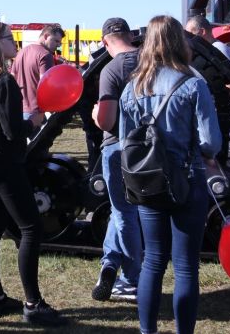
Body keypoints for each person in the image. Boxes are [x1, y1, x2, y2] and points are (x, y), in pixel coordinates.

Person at [119, 15, 221, 334]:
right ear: (181, 42)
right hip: (187, 181)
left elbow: (125, 142)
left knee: (152, 261)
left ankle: (147, 331)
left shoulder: (131, 88)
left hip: (147, 183)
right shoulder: (193, 84)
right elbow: (211, 142)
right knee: (186, 266)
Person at [0, 21, 66, 327]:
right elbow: (12, 131)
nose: (15, 43)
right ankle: (33, 304)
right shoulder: (3, 81)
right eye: (9, 38)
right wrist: (34, 122)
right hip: (3, 165)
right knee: (31, 228)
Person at [90, 17, 141, 302]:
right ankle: (110, 265)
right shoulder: (151, 62)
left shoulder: (112, 69)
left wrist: (96, 115)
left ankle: (133, 279)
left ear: (105, 41)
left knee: (124, 213)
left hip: (119, 147)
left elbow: (108, 120)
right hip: (151, 150)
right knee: (124, 211)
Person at [11, 24, 64, 120]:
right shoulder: (45, 55)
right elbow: (46, 86)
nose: (58, 45)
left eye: (59, 43)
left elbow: (12, 79)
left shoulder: (21, 52)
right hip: (36, 112)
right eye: (56, 41)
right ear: (46, 36)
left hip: (18, 109)